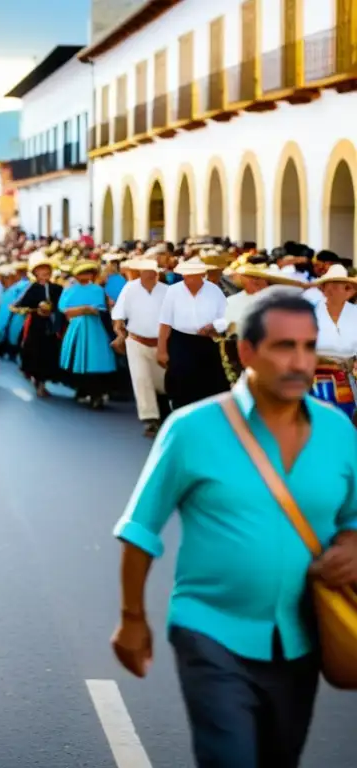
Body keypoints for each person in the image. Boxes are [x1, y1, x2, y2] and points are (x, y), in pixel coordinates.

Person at [111, 288, 357, 768]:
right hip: (210, 630)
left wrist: (352, 545)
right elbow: (141, 529)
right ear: (246, 352)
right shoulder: (191, 429)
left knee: (279, 757)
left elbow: (353, 519)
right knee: (230, 757)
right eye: (285, 347)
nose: (301, 361)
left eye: (309, 346)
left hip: (303, 636)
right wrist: (132, 618)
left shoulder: (338, 432)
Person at [157, 257, 228, 409]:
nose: (187, 278)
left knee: (208, 384)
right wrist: (161, 350)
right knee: (180, 381)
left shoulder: (214, 291)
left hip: (206, 342)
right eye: (185, 274)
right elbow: (165, 322)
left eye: (192, 275)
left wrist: (214, 326)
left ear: (201, 275)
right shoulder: (173, 291)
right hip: (180, 341)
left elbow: (226, 317)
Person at [111, 258, 169, 436]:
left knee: (163, 382)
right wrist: (120, 332)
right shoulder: (129, 288)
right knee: (141, 379)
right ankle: (150, 419)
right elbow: (118, 314)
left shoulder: (167, 291)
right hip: (136, 341)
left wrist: (164, 347)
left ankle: (165, 412)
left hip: (160, 342)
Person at [58, 261, 117, 409]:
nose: (86, 276)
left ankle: (96, 394)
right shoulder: (70, 289)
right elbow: (65, 309)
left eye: (89, 273)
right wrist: (84, 309)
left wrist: (85, 310)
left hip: (95, 328)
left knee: (96, 360)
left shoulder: (98, 290)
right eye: (83, 273)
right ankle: (82, 389)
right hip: (77, 328)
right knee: (77, 359)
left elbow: (100, 309)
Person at [308, 264, 357, 418]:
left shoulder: (354, 313)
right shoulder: (311, 313)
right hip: (316, 381)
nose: (333, 290)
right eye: (330, 285)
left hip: (350, 381)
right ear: (323, 289)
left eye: (339, 286)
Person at [15, 252, 64, 398]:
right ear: (35, 273)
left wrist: (53, 311)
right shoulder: (32, 288)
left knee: (49, 354)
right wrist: (37, 309)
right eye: (41, 271)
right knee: (35, 352)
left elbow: (62, 305)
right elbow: (19, 306)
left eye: (47, 271)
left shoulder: (57, 288)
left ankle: (43, 382)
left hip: (51, 327)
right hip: (36, 326)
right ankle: (38, 380)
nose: (44, 273)